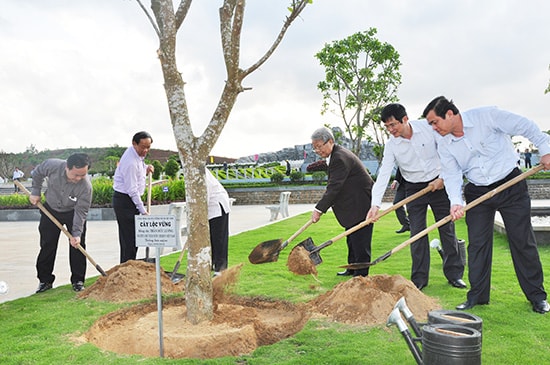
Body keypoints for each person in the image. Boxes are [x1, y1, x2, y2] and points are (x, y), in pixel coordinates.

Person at [422, 96, 550, 314]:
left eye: (435, 122)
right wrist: (455, 202)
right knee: (478, 245)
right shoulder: (444, 143)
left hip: (510, 184)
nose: (434, 128)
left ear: (450, 114)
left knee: (522, 241)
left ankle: (537, 297)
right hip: (477, 190)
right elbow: (452, 174)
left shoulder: (487, 116)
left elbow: (525, 125)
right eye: (430, 125)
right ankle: (478, 296)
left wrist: (545, 150)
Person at [367, 103, 465, 290]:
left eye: (393, 125)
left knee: (447, 229)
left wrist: (443, 178)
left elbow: (447, 153)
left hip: (439, 183)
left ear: (405, 119)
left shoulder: (428, 128)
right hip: (414, 188)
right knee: (417, 233)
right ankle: (419, 280)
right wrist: (375, 205)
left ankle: (454, 274)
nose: (391, 130)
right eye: (387, 127)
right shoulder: (391, 146)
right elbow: (383, 174)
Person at [310, 127, 374, 277]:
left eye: (319, 146)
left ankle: (361, 275)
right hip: (353, 203)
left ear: (330, 141)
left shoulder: (339, 157)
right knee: (351, 238)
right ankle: (352, 268)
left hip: (361, 203)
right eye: (315, 148)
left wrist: (319, 209)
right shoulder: (336, 155)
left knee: (360, 241)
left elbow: (334, 187)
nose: (318, 150)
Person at [29, 153, 92, 293]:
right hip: (50, 209)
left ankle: (78, 280)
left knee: (78, 245)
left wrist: (76, 234)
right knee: (47, 244)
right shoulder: (52, 165)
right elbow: (37, 173)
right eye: (76, 175)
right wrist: (35, 191)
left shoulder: (86, 186)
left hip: (73, 212)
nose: (79, 178)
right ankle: (45, 280)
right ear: (67, 167)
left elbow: (81, 212)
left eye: (83, 175)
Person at [112, 131, 154, 263]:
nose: (145, 150)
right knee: (129, 239)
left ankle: (131, 264)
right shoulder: (130, 162)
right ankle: (126, 267)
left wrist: (146, 168)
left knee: (135, 238)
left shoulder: (135, 155)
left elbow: (139, 167)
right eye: (143, 147)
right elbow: (132, 190)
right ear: (134, 144)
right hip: (125, 201)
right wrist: (143, 211)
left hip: (130, 200)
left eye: (148, 147)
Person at [205, 167, 231, 275]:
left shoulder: (200, 172)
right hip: (212, 208)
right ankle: (213, 264)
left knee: (219, 238)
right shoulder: (193, 172)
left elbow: (206, 194)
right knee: (212, 238)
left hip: (218, 207)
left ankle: (220, 269)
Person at [392, 168, 410, 234]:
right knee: (397, 203)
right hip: (403, 184)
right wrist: (396, 180)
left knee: (412, 205)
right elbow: (400, 167)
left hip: (414, 183)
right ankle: (406, 224)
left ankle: (414, 227)